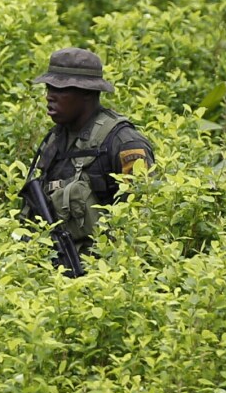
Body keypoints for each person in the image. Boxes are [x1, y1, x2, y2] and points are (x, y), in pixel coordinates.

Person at [22, 47, 154, 258]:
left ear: (87, 93)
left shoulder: (123, 143)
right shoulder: (56, 139)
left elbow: (143, 217)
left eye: (60, 89)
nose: (49, 97)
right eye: (48, 88)